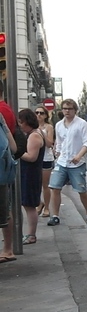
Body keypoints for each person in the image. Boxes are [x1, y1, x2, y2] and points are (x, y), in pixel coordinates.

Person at [48, 99, 87, 231]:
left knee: (81, 190)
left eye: (69, 109)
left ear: (75, 110)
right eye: (64, 108)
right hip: (62, 162)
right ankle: (55, 216)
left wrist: (79, 155)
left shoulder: (82, 124)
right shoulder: (58, 125)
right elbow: (59, 141)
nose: (67, 111)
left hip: (77, 163)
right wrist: (57, 152)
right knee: (55, 187)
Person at [18, 109, 45, 245]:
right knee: (28, 204)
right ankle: (28, 234)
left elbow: (31, 157)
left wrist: (17, 152)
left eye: (21, 122)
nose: (20, 125)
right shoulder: (35, 133)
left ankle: (31, 235)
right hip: (30, 173)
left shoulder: (34, 136)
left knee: (29, 206)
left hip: (30, 174)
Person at [0, 81, 17, 263]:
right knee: (5, 210)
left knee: (5, 210)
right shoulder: (5, 111)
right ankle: (7, 248)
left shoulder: (2, 111)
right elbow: (12, 145)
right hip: (4, 169)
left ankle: (8, 249)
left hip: (2, 170)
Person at [35, 105, 54, 218]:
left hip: (46, 158)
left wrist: (41, 133)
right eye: (37, 113)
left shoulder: (48, 127)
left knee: (45, 185)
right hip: (35, 157)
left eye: (41, 113)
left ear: (46, 115)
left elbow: (49, 144)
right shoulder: (32, 126)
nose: (39, 115)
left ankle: (47, 207)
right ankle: (39, 203)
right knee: (34, 184)